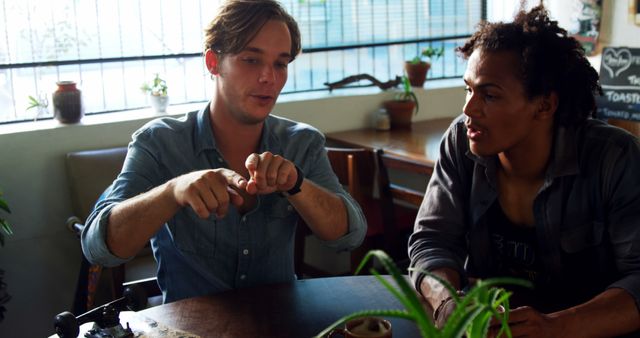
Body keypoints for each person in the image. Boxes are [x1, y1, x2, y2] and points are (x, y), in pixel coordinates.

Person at [81, 0, 366, 303]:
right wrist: (172, 192)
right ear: (213, 63)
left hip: (280, 322)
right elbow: (97, 246)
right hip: (188, 329)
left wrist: (297, 184)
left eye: (280, 63)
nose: (269, 77)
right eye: (251, 60)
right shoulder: (159, 143)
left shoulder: (302, 142)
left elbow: (350, 235)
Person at [408, 5, 640, 337]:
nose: (468, 108)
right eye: (468, 89)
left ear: (545, 105)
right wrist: (446, 304)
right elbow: (432, 240)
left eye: (489, 95)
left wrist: (555, 327)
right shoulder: (461, 140)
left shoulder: (613, 158)